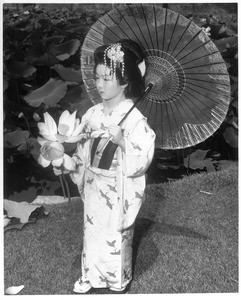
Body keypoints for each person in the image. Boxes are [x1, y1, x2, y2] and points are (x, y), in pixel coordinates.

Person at [55, 39, 156, 293]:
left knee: (115, 233)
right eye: (97, 77)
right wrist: (68, 164)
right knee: (92, 231)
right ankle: (90, 275)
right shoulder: (92, 114)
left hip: (117, 185)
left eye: (107, 78)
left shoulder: (135, 120)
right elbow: (82, 153)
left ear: (125, 81)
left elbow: (141, 155)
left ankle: (116, 279)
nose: (99, 84)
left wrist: (122, 141)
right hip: (93, 183)